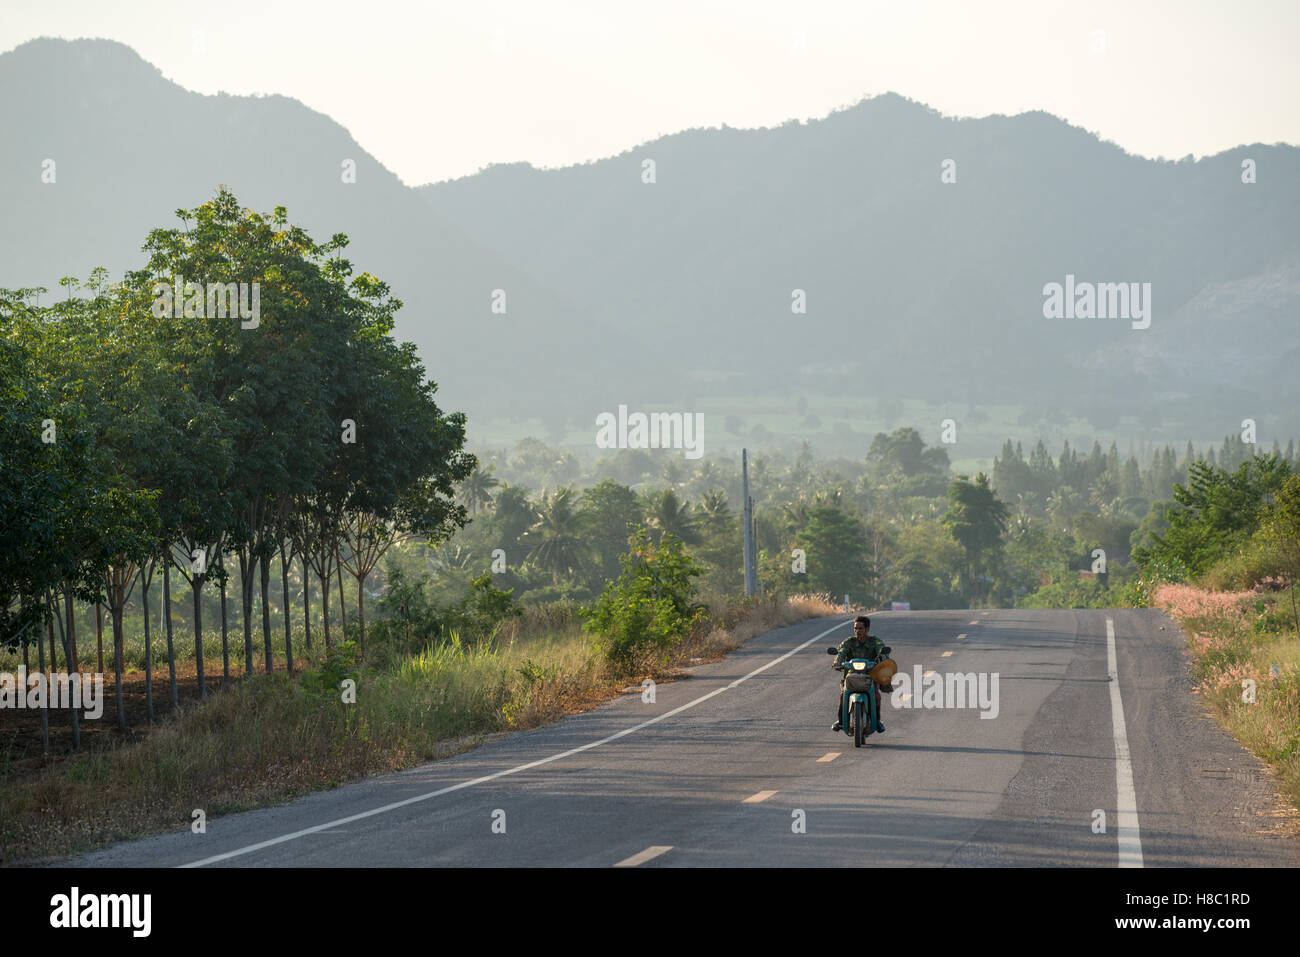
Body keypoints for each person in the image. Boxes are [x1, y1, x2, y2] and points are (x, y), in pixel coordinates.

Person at [832, 615, 891, 734]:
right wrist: (837, 663)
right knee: (843, 695)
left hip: (870, 675)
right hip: (852, 675)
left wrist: (884, 661)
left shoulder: (875, 641)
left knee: (876, 696)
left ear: (867, 629)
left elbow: (882, 652)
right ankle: (841, 721)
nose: (857, 631)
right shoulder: (849, 642)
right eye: (855, 628)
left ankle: (877, 721)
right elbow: (841, 652)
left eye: (860, 628)